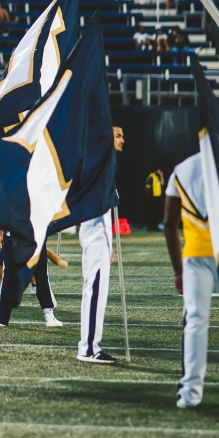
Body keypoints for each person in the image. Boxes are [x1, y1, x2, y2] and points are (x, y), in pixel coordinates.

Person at [164, 151, 214, 409]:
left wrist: (177, 270)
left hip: (195, 254)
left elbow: (168, 223)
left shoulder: (182, 168)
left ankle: (190, 393)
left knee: (195, 321)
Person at [77, 127, 122, 364]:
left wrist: (110, 245)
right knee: (94, 289)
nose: (123, 140)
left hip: (100, 234)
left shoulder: (106, 166)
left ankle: (90, 344)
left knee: (98, 290)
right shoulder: (97, 165)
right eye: (118, 135)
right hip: (94, 232)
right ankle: (88, 348)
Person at [146, 166, 165, 231]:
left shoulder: (156, 177)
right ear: (156, 170)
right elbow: (147, 187)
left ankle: (155, 226)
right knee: (152, 212)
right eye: (159, 170)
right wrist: (150, 196)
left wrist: (161, 175)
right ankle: (151, 227)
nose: (160, 171)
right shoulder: (151, 177)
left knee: (156, 213)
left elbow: (162, 184)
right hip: (152, 198)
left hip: (157, 197)